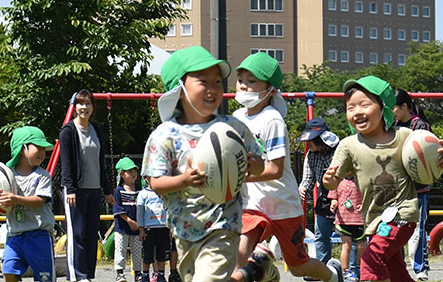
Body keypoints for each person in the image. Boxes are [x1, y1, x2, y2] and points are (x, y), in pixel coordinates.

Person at [141, 46, 267, 281]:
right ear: (180, 89)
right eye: (203, 81)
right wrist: (185, 180)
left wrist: (253, 164)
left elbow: (260, 164)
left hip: (223, 225)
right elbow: (155, 182)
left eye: (217, 82)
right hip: (184, 230)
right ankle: (255, 271)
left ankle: (253, 271)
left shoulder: (232, 128)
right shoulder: (165, 135)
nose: (212, 89)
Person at [321, 76, 443, 282]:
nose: (357, 112)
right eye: (350, 108)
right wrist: (328, 179)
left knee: (370, 260)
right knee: (395, 272)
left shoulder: (405, 136)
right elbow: (332, 182)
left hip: (402, 215)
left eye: (365, 105)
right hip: (374, 221)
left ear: (384, 107)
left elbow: (434, 153)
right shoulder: (348, 145)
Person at [228, 52, 342, 282]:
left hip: (282, 205)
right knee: (238, 254)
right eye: (240, 80)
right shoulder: (237, 117)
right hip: (252, 204)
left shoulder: (272, 120)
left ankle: (333, 274)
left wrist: (238, 177)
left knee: (298, 267)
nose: (243, 86)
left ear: (270, 89)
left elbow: (275, 170)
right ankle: (262, 267)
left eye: (252, 81)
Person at [59, 89, 116, 281]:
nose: (84, 107)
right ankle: (77, 275)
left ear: (93, 107)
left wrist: (107, 190)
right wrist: (70, 189)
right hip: (75, 190)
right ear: (75, 107)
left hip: (95, 189)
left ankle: (87, 274)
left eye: (88, 103)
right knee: (78, 233)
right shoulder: (68, 131)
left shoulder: (96, 130)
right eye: (80, 103)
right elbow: (66, 163)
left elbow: (101, 161)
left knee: (91, 234)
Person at [1, 126, 56, 282]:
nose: (42, 153)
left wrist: (16, 199)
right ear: (22, 148)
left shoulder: (42, 175)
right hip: (15, 234)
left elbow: (40, 200)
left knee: (44, 278)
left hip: (39, 235)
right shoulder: (6, 175)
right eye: (38, 147)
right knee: (8, 270)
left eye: (44, 149)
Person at [393, 89, 433, 281]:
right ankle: (398, 267)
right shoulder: (393, 127)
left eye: (393, 107)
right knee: (396, 227)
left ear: (405, 106)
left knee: (418, 228)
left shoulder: (420, 126)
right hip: (398, 188)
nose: (391, 112)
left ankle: (420, 268)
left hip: (419, 187)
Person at [297, 118, 342, 269]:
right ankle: (324, 269)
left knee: (349, 237)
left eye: (311, 140)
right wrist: (303, 189)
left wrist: (337, 197)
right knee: (321, 236)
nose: (308, 143)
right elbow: (308, 179)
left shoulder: (339, 151)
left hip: (344, 198)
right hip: (324, 199)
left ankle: (351, 270)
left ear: (320, 140)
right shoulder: (311, 155)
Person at [329, 174, 367, 281]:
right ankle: (345, 271)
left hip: (359, 219)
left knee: (362, 246)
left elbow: (368, 195)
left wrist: (363, 205)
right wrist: (333, 204)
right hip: (342, 219)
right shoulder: (337, 180)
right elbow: (334, 198)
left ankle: (359, 268)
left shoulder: (361, 177)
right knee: (346, 246)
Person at [113, 157, 144, 282]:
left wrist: (140, 225)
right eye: (130, 171)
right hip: (122, 227)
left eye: (134, 171)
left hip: (137, 226)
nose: (133, 174)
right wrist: (129, 221)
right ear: (122, 174)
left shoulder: (139, 190)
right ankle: (120, 273)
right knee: (120, 249)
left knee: (137, 251)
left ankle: (138, 273)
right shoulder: (118, 190)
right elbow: (118, 209)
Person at [137, 171, 171, 282]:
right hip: (148, 228)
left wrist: (170, 226)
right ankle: (145, 274)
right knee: (148, 253)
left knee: (162, 253)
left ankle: (161, 274)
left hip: (163, 227)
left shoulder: (165, 192)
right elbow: (139, 212)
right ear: (145, 178)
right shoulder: (143, 194)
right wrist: (141, 229)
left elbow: (169, 209)